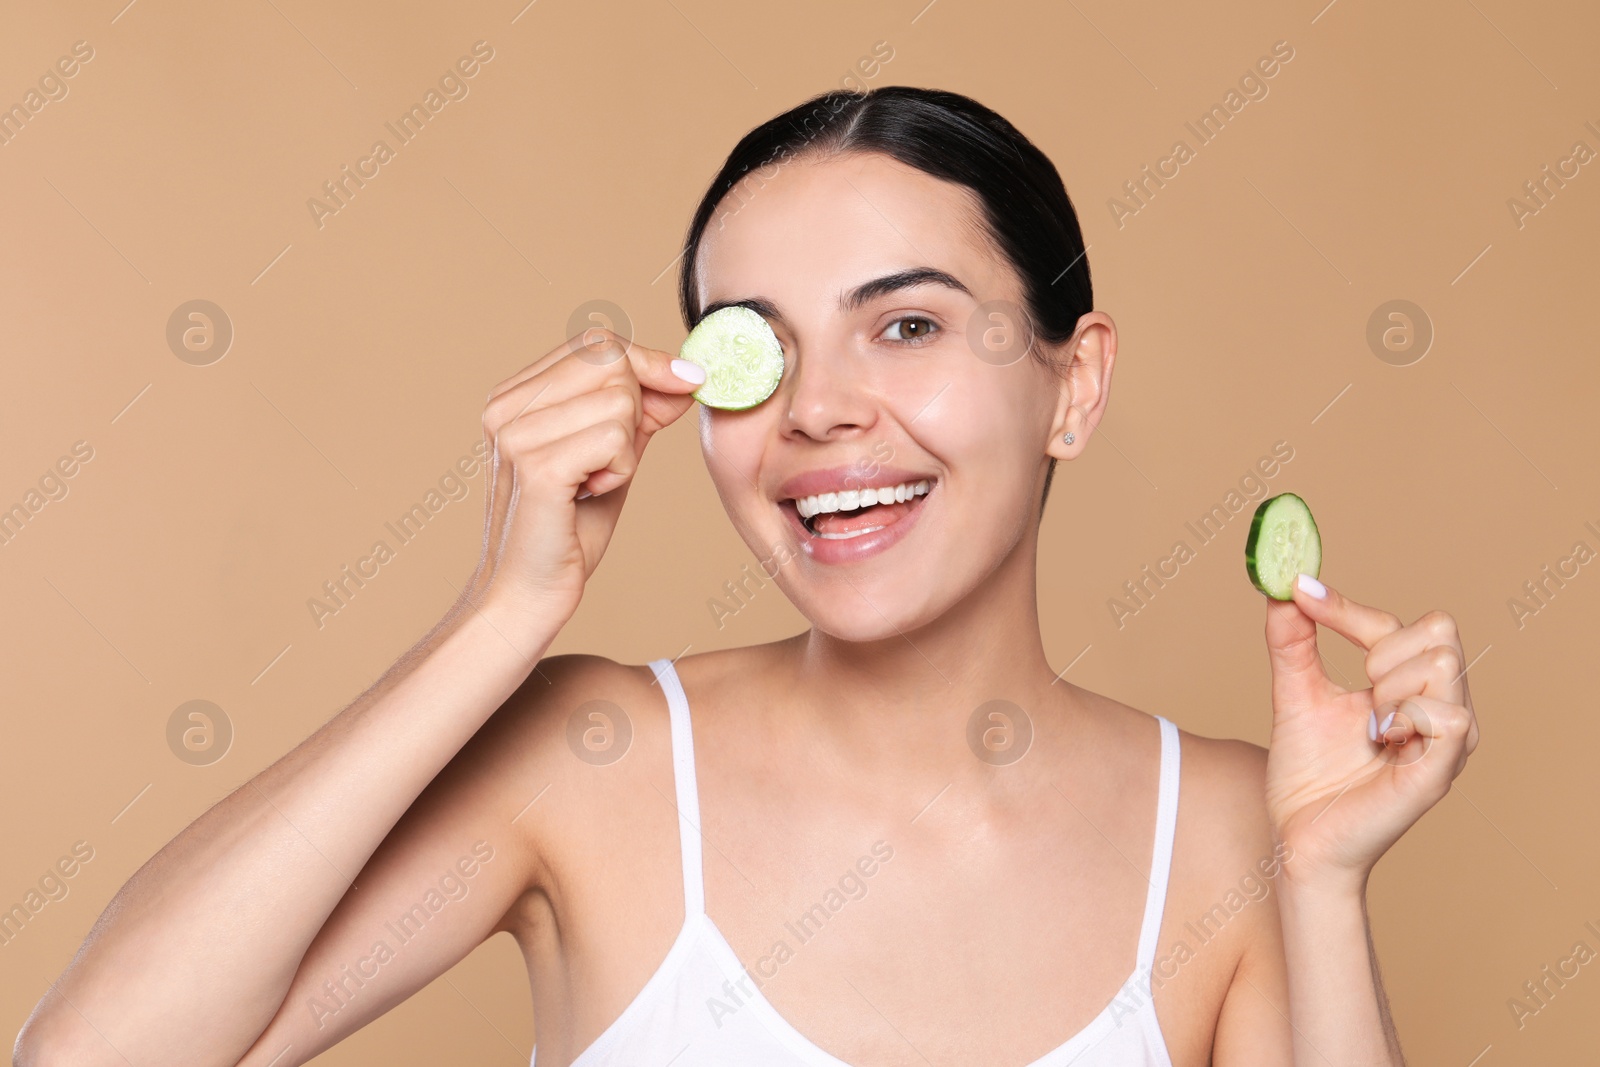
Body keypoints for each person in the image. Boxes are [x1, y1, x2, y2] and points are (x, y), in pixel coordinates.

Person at [15, 86, 1479, 1067]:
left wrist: (1330, 883)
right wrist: (500, 618)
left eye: (905, 326)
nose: (820, 412)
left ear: (1072, 383)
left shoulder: (1235, 829)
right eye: (758, 350)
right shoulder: (591, 764)